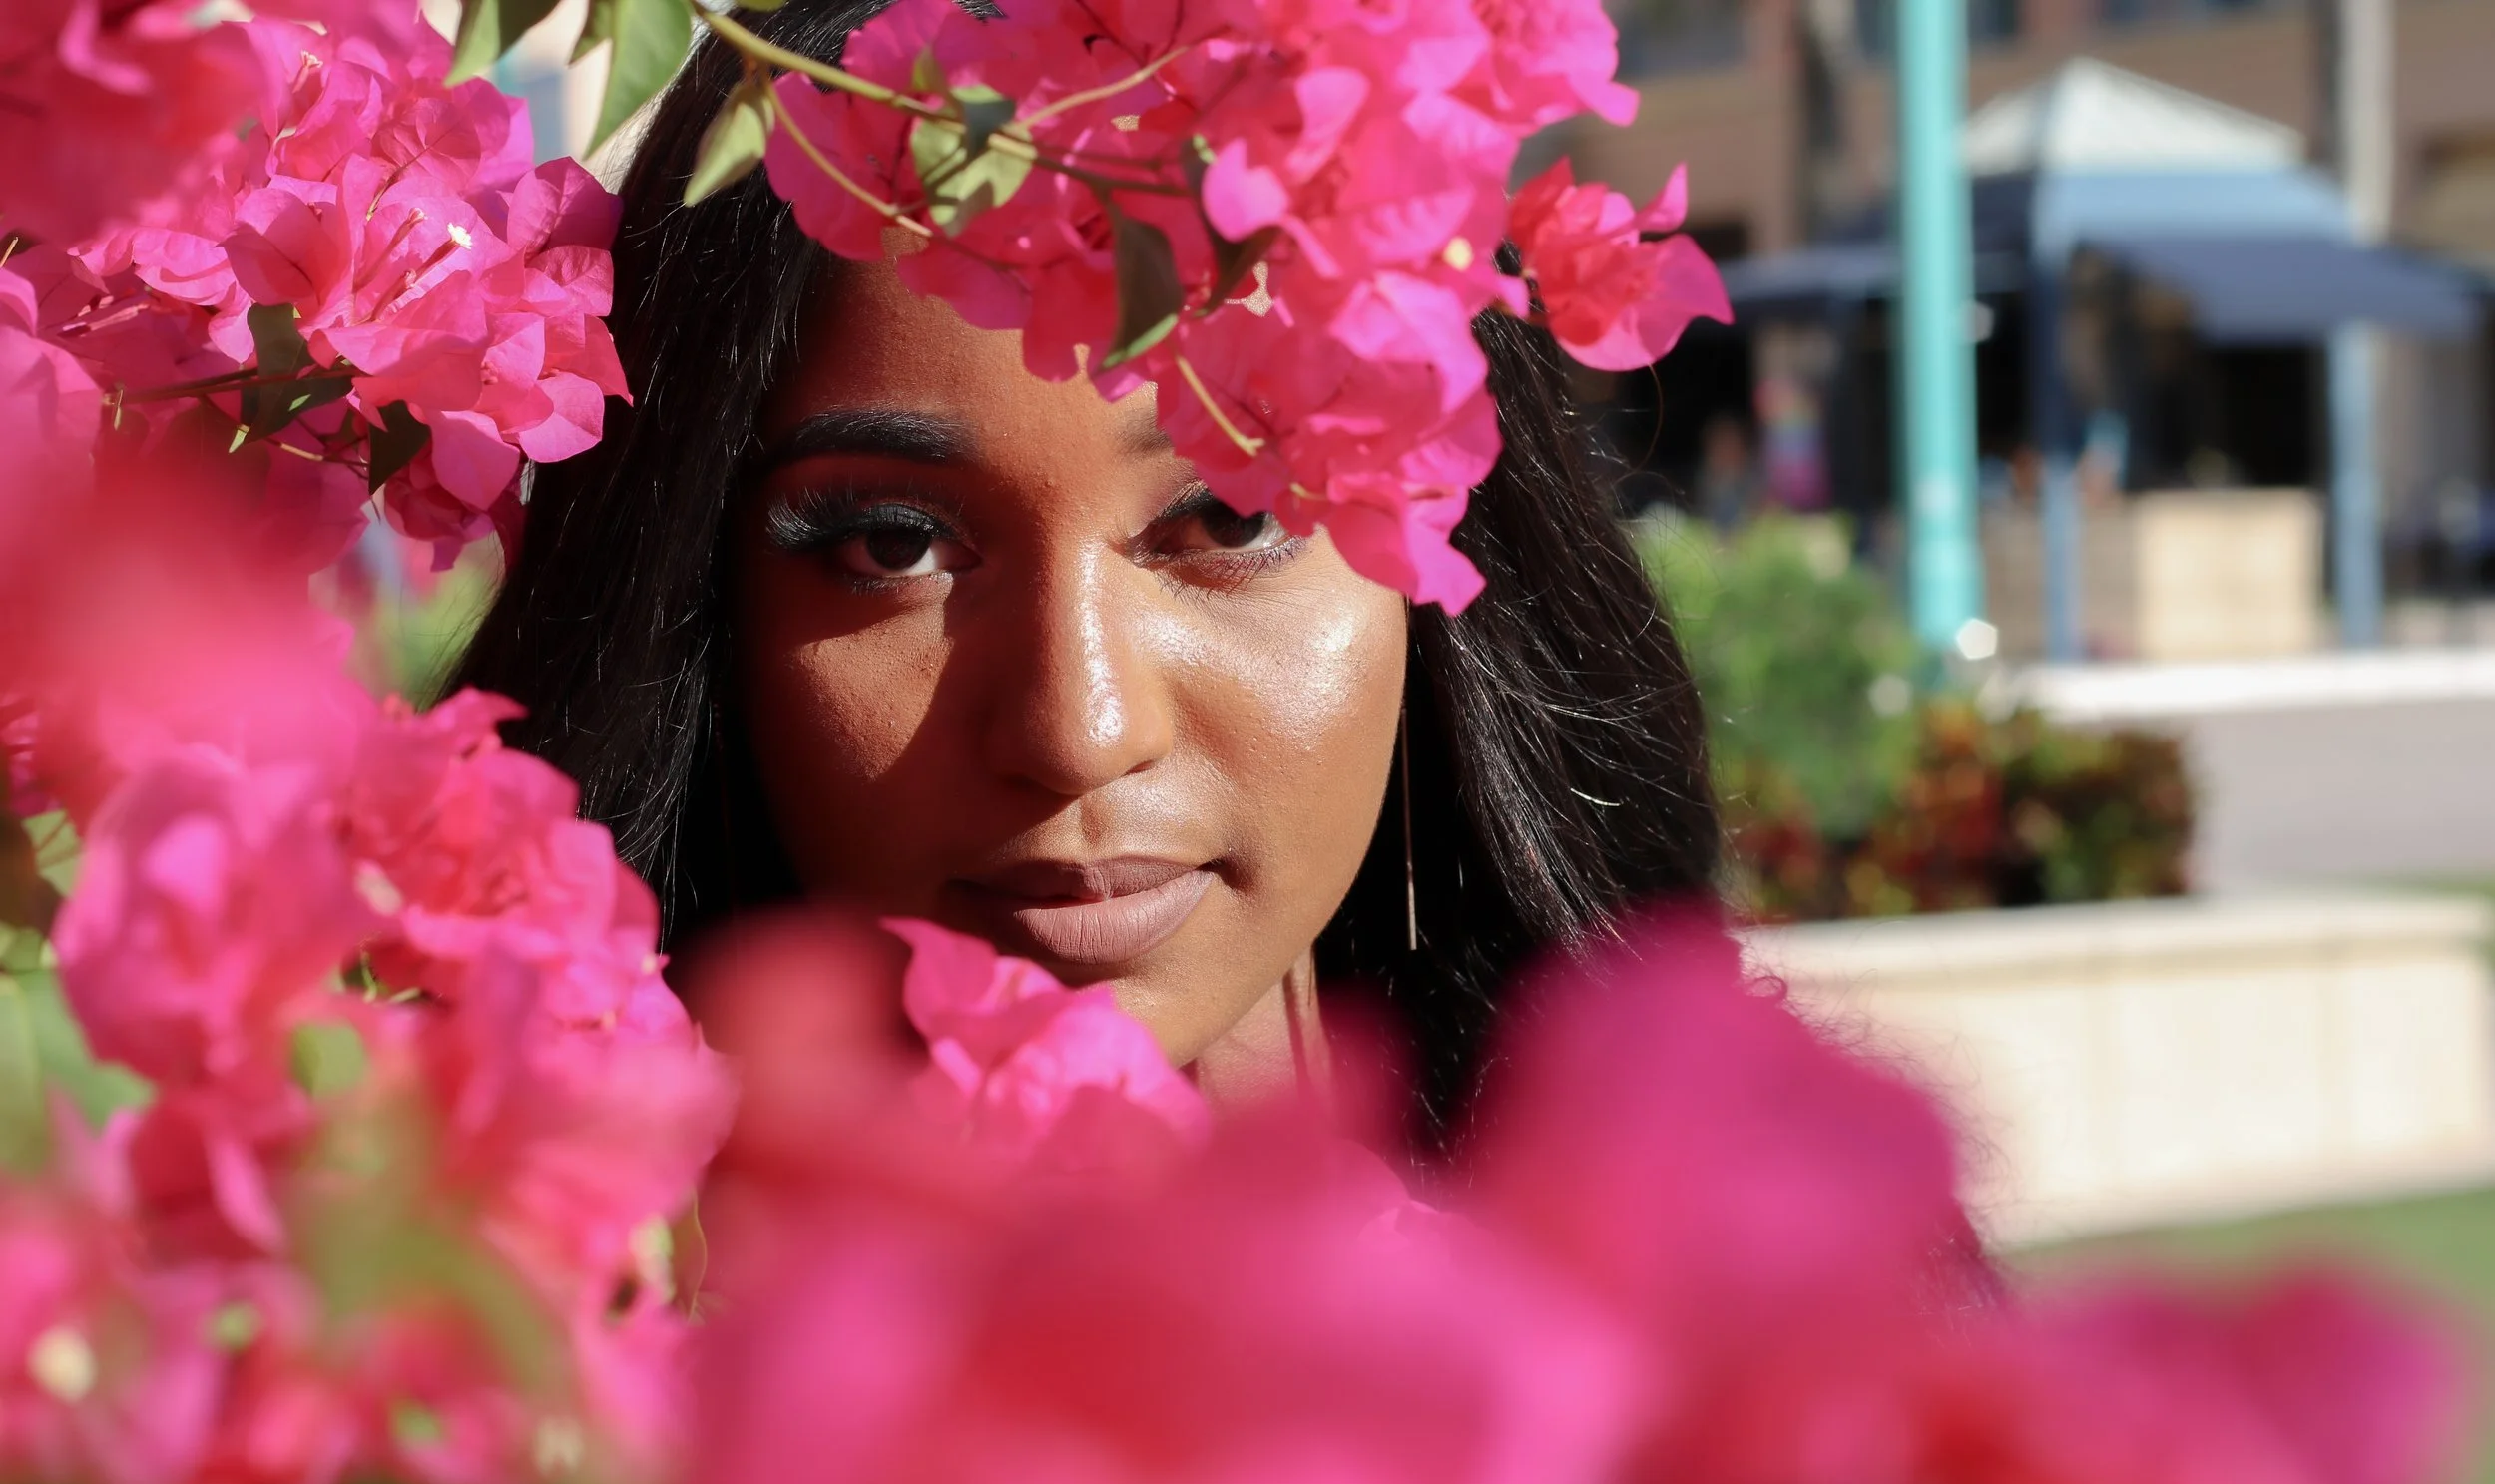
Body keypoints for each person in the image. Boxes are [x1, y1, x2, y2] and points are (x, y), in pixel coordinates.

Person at [453, 0, 1721, 1158]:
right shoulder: (544, 1374)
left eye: (1231, 514)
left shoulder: (1737, 1303)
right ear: (695, 603)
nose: (1081, 729)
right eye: (895, 545)